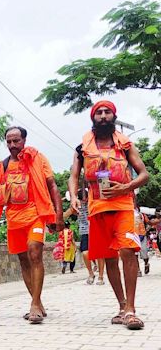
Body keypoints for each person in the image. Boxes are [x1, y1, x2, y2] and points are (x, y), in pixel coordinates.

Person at [68, 100, 149, 330]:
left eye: (107, 112)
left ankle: (132, 310)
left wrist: (126, 187)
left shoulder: (125, 145)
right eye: (99, 113)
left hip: (123, 205)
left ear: (114, 116)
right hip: (97, 208)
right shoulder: (81, 149)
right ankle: (122, 306)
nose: (103, 116)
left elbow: (144, 174)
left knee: (127, 251)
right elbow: (74, 176)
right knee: (110, 258)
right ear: (93, 118)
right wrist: (74, 197)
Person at [0, 126, 64, 324]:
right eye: (9, 142)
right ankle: (37, 302)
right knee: (24, 260)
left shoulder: (37, 158)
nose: (12, 145)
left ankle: (34, 305)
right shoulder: (2, 166)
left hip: (36, 214)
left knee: (34, 252)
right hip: (14, 219)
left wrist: (58, 214)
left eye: (16, 141)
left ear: (24, 140)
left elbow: (52, 185)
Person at [65, 189, 105, 285]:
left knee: (99, 254)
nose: (84, 201)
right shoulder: (76, 206)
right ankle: (91, 274)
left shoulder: (94, 203)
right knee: (85, 253)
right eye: (82, 199)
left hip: (97, 230)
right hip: (85, 231)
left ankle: (101, 276)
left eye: (85, 199)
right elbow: (66, 214)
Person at [134, 205, 149, 276]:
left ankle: (146, 263)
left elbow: (148, 222)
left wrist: (148, 228)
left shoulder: (141, 213)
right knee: (135, 254)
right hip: (133, 236)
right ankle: (138, 270)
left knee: (144, 253)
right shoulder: (127, 212)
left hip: (142, 235)